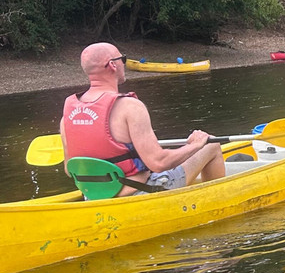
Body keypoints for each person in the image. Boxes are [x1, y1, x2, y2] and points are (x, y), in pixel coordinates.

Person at [60, 43, 225, 196]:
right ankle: (214, 201)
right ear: (112, 64)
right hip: (141, 192)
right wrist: (195, 145)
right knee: (211, 145)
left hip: (94, 196)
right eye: (122, 59)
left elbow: (69, 169)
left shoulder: (68, 114)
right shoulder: (130, 107)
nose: (124, 64)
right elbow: (159, 163)